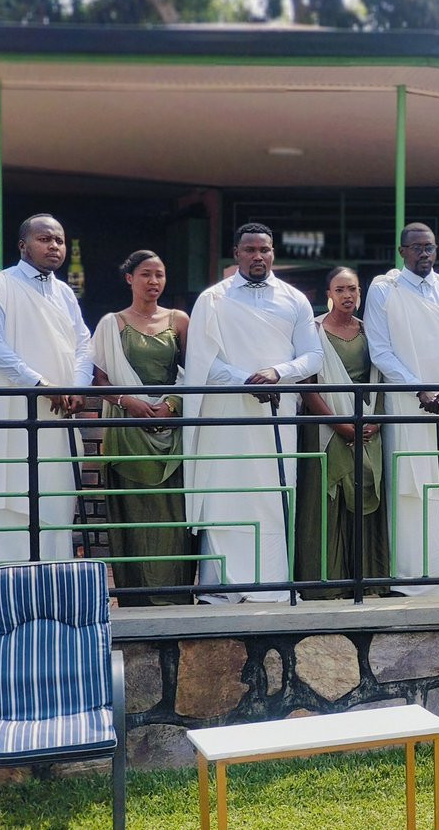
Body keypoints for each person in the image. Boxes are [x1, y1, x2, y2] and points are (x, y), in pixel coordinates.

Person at [184, 223, 322, 604]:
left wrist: (277, 373)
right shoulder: (213, 299)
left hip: (277, 415)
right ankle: (219, 591)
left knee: (272, 496)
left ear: (273, 252)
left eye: (265, 249)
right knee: (225, 493)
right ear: (236, 253)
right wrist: (244, 380)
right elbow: (203, 362)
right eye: (250, 250)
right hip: (226, 416)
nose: (258, 256)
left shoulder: (295, 299)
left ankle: (272, 587)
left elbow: (313, 356)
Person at [0, 214, 91, 563]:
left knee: (57, 508)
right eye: (45, 239)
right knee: (12, 504)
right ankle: (8, 590)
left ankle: (52, 590)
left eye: (59, 240)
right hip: (15, 419)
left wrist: (77, 386)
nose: (54, 246)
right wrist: (38, 384)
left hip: (59, 419)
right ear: (23, 245)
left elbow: (84, 345)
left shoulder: (65, 292)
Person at [365, 223, 439, 596]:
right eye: (416, 247)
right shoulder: (385, 289)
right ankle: (411, 577)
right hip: (407, 401)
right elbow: (380, 350)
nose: (424, 253)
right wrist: (419, 388)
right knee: (409, 486)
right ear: (402, 251)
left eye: (429, 246)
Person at [92, 250, 194, 605]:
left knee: (174, 515)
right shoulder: (112, 324)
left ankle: (176, 597)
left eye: (159, 274)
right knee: (132, 516)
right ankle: (135, 598)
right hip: (127, 431)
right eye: (146, 274)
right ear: (129, 279)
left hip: (171, 430)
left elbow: (195, 373)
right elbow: (100, 380)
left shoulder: (179, 320)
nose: (153, 281)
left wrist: (171, 405)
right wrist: (129, 402)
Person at [296, 267, 386, 597]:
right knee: (326, 502)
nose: (347, 295)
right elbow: (307, 385)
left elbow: (381, 379)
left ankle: (367, 581)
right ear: (328, 295)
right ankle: (326, 584)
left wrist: (376, 421)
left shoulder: (370, 331)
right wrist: (340, 425)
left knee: (365, 498)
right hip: (326, 429)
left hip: (367, 428)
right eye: (340, 290)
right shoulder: (314, 330)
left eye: (353, 289)